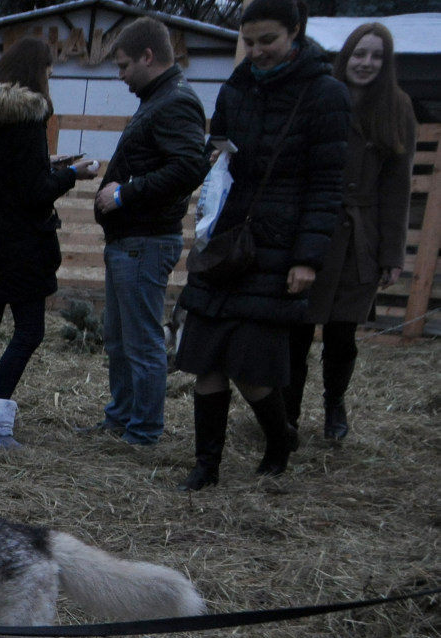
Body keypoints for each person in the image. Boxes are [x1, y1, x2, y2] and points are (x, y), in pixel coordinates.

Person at [175, 0, 349, 490]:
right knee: (205, 359)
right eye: (249, 42)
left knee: (251, 370)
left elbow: (326, 186)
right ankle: (206, 466)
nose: (257, 51)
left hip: (277, 247)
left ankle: (279, 439)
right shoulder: (238, 86)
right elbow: (218, 159)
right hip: (227, 243)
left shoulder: (325, 95)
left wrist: (307, 259)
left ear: (295, 32)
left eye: (267, 40)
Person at [0, 37, 98, 449]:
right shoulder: (30, 116)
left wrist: (47, 166)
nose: (52, 76)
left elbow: (5, 174)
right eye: (50, 69)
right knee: (30, 330)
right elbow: (34, 191)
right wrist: (75, 175)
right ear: (37, 71)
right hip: (23, 243)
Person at [286, 22, 416, 445]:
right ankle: (286, 414)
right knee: (297, 330)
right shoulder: (322, 95)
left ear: (386, 62)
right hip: (315, 233)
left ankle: (334, 405)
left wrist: (392, 254)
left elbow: (397, 188)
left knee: (342, 337)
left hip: (362, 241)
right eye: (360, 53)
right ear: (347, 56)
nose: (367, 63)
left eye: (377, 56)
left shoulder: (397, 108)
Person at [90, 17, 210, 446]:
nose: (120, 76)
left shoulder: (175, 101)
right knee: (120, 340)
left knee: (141, 343)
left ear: (147, 56)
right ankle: (121, 417)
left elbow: (188, 167)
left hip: (146, 240)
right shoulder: (157, 99)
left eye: (123, 66)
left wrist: (124, 195)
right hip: (130, 241)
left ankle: (144, 431)